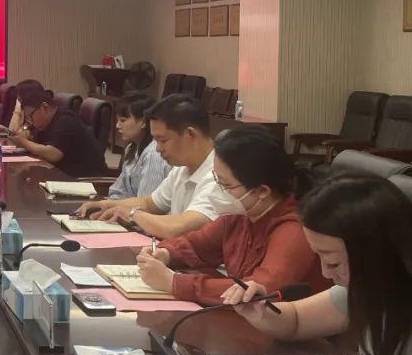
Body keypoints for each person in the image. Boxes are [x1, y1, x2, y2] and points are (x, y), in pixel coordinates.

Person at [227, 175, 412, 355]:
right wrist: (261, 312)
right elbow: (296, 321)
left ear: (378, 253)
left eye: (334, 263)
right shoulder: (369, 289)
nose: (326, 273)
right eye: (320, 257)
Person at [135, 125, 327, 305]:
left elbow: (257, 290)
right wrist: (165, 253)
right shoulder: (240, 214)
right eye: (216, 180)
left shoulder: (294, 229)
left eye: (226, 185)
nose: (218, 192)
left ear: (262, 191)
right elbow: (196, 244)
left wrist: (174, 282)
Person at [77, 94, 221, 239]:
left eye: (163, 140)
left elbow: (176, 228)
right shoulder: (182, 168)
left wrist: (131, 214)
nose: (158, 149)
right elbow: (150, 203)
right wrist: (107, 205)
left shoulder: (221, 177)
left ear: (191, 134)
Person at [6, 88, 107, 177]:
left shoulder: (65, 120)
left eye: (30, 115)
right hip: (60, 173)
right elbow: (33, 138)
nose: (30, 120)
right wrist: (24, 136)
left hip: (83, 179)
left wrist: (22, 142)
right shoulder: (46, 121)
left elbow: (53, 154)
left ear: (45, 108)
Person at [107, 92, 170, 200]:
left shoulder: (154, 153)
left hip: (139, 209)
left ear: (143, 122)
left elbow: (146, 203)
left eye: (123, 120)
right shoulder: (131, 148)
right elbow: (118, 190)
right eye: (117, 120)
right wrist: (107, 204)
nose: (117, 125)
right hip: (125, 207)